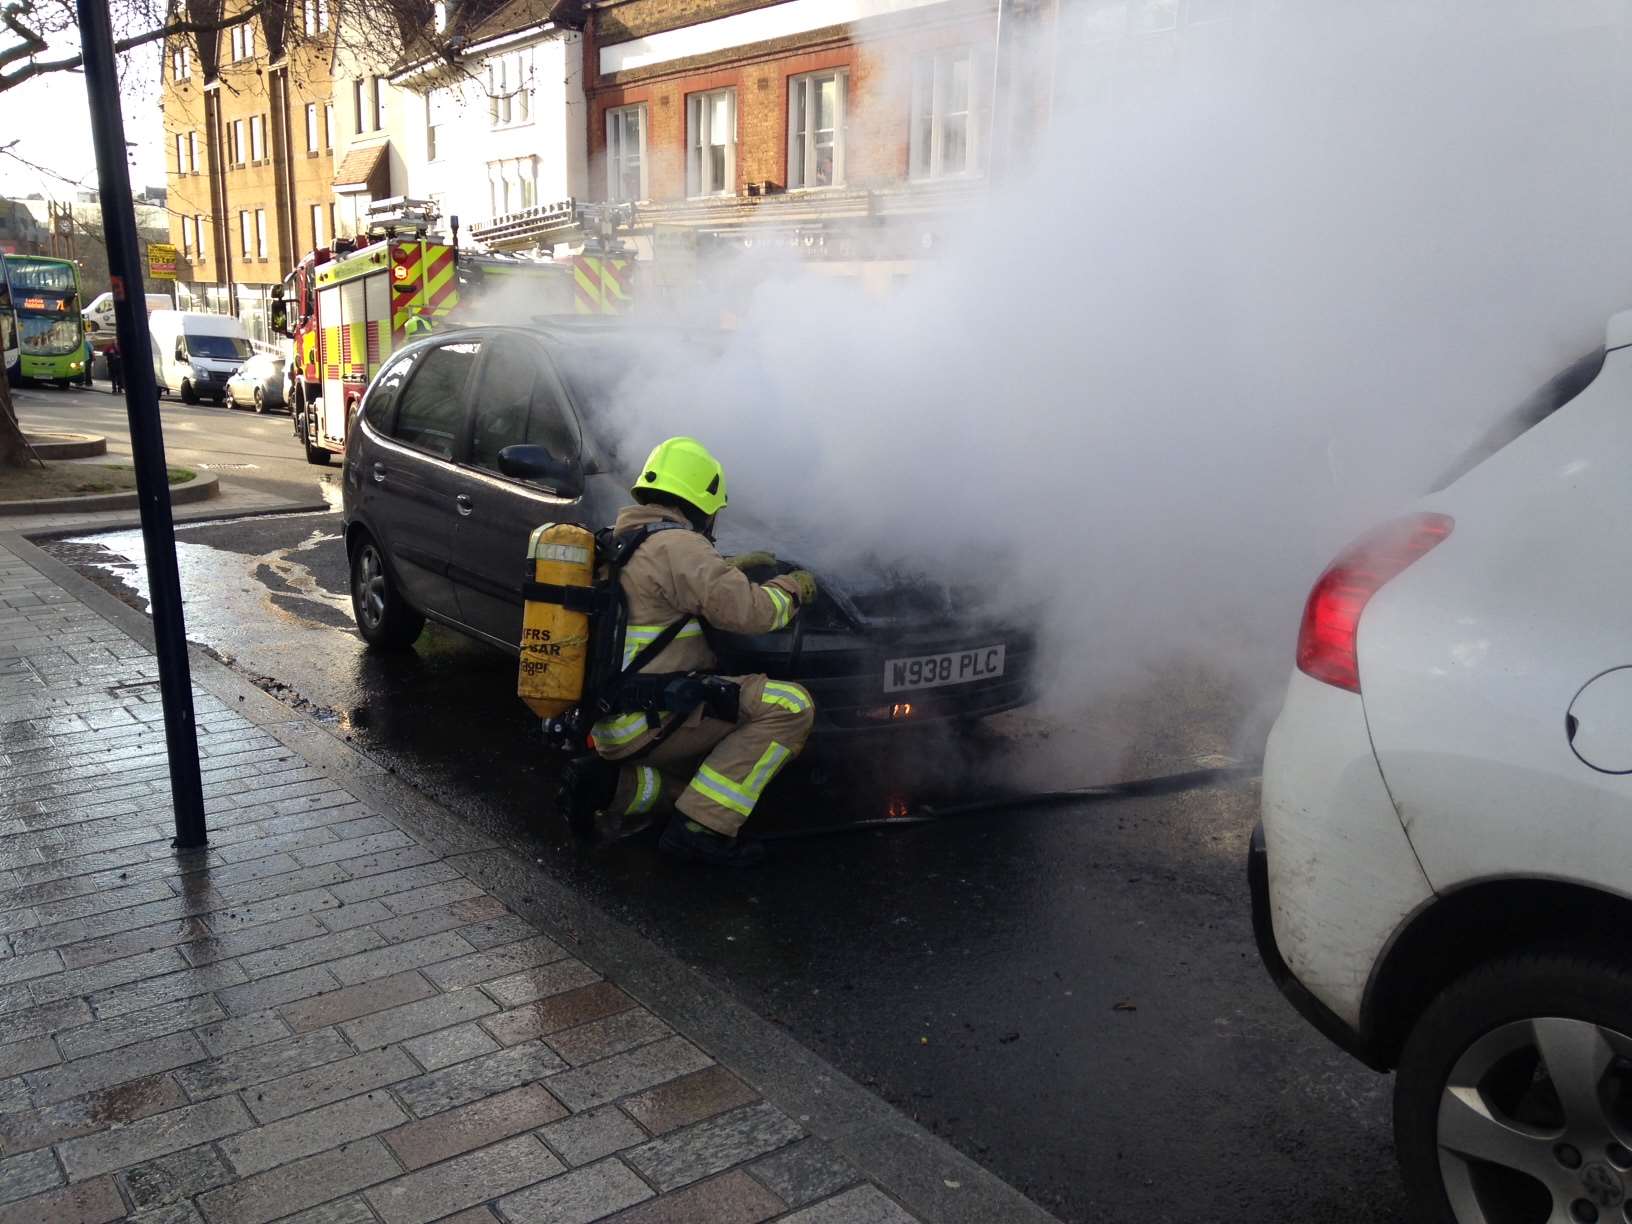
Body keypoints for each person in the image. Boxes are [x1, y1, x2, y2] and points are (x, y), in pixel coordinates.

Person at [561, 436, 819, 867]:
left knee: (701, 770)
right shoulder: (678, 546)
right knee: (791, 706)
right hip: (652, 718)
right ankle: (701, 831)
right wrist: (793, 588)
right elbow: (752, 613)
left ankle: (609, 786)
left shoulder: (620, 538)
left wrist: (726, 570)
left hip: (612, 721)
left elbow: (666, 593)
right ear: (699, 501)